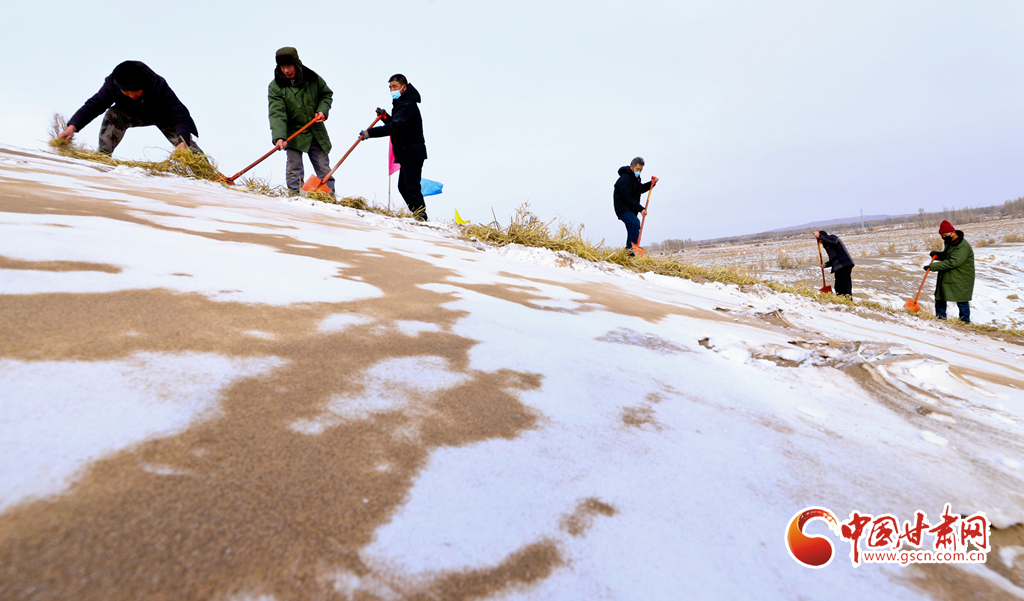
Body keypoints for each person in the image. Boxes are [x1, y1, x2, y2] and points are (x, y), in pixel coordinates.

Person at [57, 61, 203, 155]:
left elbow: (177, 113)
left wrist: (183, 141)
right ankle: (102, 156)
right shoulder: (111, 85)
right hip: (133, 113)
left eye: (136, 91)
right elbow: (94, 105)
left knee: (184, 144)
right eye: (126, 92)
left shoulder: (158, 85)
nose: (132, 95)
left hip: (163, 115)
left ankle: (210, 175)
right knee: (113, 113)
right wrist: (72, 127)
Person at [360, 75, 428, 220]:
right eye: (390, 87)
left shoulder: (407, 105)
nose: (392, 90)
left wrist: (369, 133)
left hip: (412, 152)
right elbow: (398, 125)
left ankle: (422, 217)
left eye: (395, 87)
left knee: (411, 187)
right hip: (407, 153)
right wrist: (385, 118)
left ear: (404, 87)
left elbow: (395, 127)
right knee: (404, 187)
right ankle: (418, 215)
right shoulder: (401, 104)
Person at [268, 47, 334, 195]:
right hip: (293, 132)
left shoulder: (312, 78)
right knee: (294, 165)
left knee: (323, 167)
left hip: (315, 130)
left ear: (296, 64)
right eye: (282, 67)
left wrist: (322, 111)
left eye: (288, 66)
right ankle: (296, 196)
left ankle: (329, 199)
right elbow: (277, 113)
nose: (286, 70)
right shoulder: (276, 86)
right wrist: (279, 137)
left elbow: (326, 95)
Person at [927, 220, 975, 323]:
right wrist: (938, 255)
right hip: (949, 275)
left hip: (961, 277)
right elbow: (948, 256)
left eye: (944, 235)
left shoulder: (962, 245)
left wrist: (932, 267)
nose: (943, 237)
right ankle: (941, 319)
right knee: (940, 297)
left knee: (962, 299)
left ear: (952, 232)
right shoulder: (950, 242)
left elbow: (953, 262)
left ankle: (965, 322)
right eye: (941, 235)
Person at [613, 158, 658, 254]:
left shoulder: (635, 179)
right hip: (623, 208)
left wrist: (652, 184)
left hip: (631, 208)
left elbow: (639, 189)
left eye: (641, 170)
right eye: (637, 169)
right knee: (635, 223)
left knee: (633, 228)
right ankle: (630, 250)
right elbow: (627, 198)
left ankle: (631, 251)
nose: (639, 171)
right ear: (631, 167)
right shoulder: (624, 179)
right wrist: (641, 209)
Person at [814, 230, 855, 297]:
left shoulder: (833, 239)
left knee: (845, 286)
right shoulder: (827, 246)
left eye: (820, 240)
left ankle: (847, 301)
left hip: (844, 264)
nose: (820, 242)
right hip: (839, 267)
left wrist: (819, 236)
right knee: (838, 287)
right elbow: (833, 259)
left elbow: (832, 240)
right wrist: (826, 264)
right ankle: (840, 300)